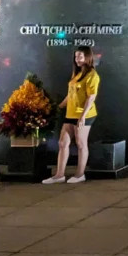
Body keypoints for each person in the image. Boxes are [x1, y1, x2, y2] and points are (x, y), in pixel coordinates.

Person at [43, 46, 100, 184]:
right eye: (76, 56)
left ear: (87, 57)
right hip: (71, 113)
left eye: (80, 56)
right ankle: (59, 175)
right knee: (63, 143)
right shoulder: (76, 74)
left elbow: (91, 97)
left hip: (84, 115)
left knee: (81, 143)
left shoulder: (92, 75)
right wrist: (58, 107)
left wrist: (83, 117)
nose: (77, 59)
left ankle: (80, 174)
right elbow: (70, 95)